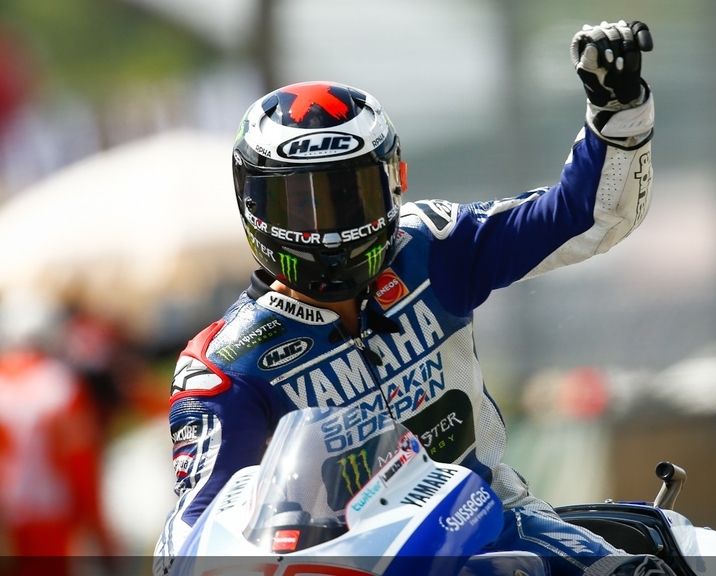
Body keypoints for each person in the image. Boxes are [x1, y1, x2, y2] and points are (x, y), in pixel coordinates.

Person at [155, 20, 671, 576]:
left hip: (498, 528)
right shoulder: (224, 367)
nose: (329, 228)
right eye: (302, 205)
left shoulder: (433, 245)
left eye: (349, 196)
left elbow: (585, 216)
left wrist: (618, 113)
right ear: (253, 202)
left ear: (394, 180)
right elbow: (190, 538)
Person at [0, 291, 117, 575]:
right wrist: (101, 534)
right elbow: (81, 465)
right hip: (50, 516)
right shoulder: (60, 386)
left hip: (11, 518)